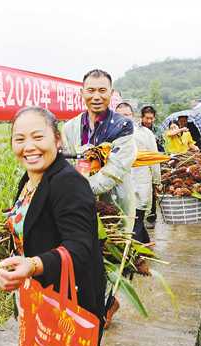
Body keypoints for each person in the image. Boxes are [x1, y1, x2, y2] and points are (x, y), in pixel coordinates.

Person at [0, 107, 107, 346]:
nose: (28, 146)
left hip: (69, 299)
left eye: (38, 137)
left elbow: (81, 247)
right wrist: (14, 270)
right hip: (38, 294)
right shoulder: (29, 180)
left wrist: (32, 265)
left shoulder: (68, 182)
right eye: (19, 139)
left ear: (57, 140)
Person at [62, 69, 137, 233]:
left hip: (116, 202)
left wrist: (80, 189)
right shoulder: (70, 127)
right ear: (82, 93)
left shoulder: (123, 126)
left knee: (117, 251)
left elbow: (115, 168)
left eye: (102, 91)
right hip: (79, 205)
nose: (96, 96)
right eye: (91, 90)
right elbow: (67, 165)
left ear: (111, 93)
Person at [115, 102, 161, 244]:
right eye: (120, 115)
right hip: (121, 184)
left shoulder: (145, 134)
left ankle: (136, 254)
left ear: (133, 116)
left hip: (141, 183)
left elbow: (154, 160)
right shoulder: (111, 134)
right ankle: (145, 243)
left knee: (137, 217)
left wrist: (157, 181)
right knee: (131, 218)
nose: (124, 118)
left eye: (127, 115)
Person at [140, 105, 161, 227]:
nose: (149, 121)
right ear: (142, 117)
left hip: (155, 163)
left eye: (151, 118)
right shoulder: (136, 130)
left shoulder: (157, 130)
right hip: (141, 166)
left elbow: (162, 147)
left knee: (153, 191)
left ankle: (151, 218)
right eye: (147, 118)